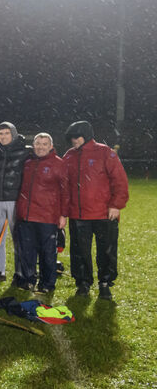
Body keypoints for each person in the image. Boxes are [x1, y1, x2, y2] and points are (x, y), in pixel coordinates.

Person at [63, 120, 129, 299]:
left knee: (106, 250)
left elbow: (120, 181)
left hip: (104, 214)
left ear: (87, 135)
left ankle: (105, 283)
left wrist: (116, 205)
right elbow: (64, 186)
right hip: (78, 214)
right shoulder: (69, 156)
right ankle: (83, 283)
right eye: (71, 138)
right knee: (79, 252)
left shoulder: (105, 152)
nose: (74, 140)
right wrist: (64, 212)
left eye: (77, 137)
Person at [14, 133, 68, 293]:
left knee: (47, 252)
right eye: (38, 143)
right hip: (26, 215)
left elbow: (66, 192)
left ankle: (47, 284)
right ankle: (28, 280)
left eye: (45, 144)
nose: (41, 147)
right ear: (33, 145)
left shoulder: (59, 164)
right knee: (27, 251)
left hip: (47, 216)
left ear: (51, 146)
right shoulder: (27, 162)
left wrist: (63, 214)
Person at [0, 122, 31, 284]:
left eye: (6, 133)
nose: (3, 136)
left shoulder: (25, 151)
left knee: (19, 238)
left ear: (13, 133)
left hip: (15, 200)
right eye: (0, 134)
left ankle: (20, 273)